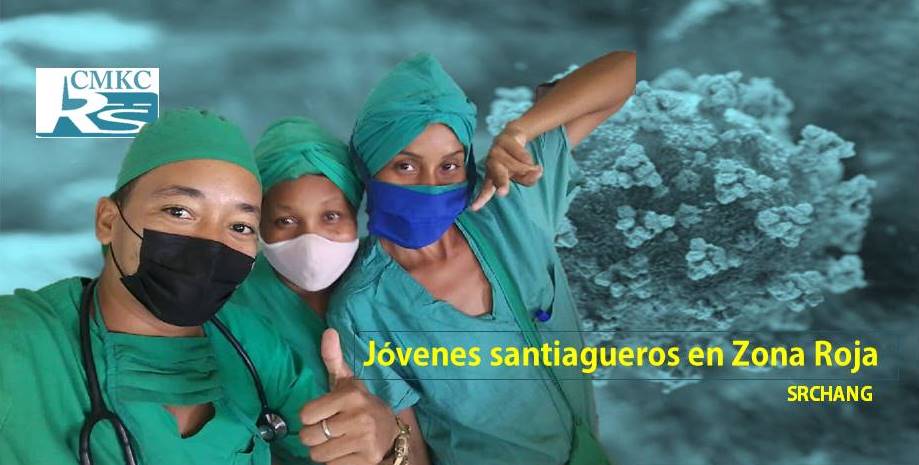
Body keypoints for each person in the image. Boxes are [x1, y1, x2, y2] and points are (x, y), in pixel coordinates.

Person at [0, 109, 398, 465]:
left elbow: (341, 447)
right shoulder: (21, 342)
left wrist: (384, 444)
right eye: (180, 212)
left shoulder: (253, 347)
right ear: (108, 221)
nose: (212, 244)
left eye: (239, 226)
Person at [327, 51, 636, 465]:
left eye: (449, 166)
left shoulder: (511, 202)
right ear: (368, 168)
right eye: (404, 166)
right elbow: (410, 449)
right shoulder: (364, 307)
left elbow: (624, 71)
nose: (430, 185)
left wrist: (522, 131)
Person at [227, 116, 428, 465]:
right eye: (285, 221)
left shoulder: (385, 282)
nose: (311, 240)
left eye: (331, 216)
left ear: (355, 214)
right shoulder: (233, 309)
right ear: (259, 225)